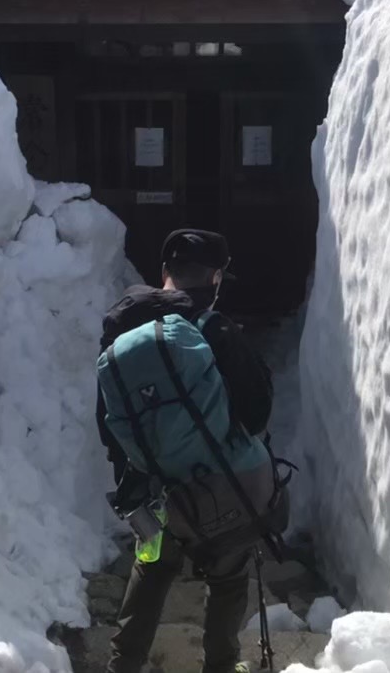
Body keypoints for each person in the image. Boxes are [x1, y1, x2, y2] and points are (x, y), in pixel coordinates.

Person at [95, 229, 281, 673]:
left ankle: (123, 665)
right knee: (228, 575)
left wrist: (139, 474)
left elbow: (108, 419)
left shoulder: (123, 331)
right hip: (216, 487)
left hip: (153, 490)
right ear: (215, 279)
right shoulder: (213, 329)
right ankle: (220, 666)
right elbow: (257, 411)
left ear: (164, 271)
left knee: (150, 567)